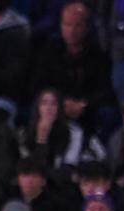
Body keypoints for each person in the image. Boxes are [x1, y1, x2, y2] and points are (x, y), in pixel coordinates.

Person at [29, 1, 113, 134]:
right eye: (67, 25)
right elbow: (38, 85)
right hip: (55, 106)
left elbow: (106, 91)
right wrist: (60, 102)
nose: (72, 31)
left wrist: (84, 104)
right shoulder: (49, 50)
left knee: (107, 114)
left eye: (77, 25)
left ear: (87, 27)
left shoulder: (98, 54)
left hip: (87, 110)